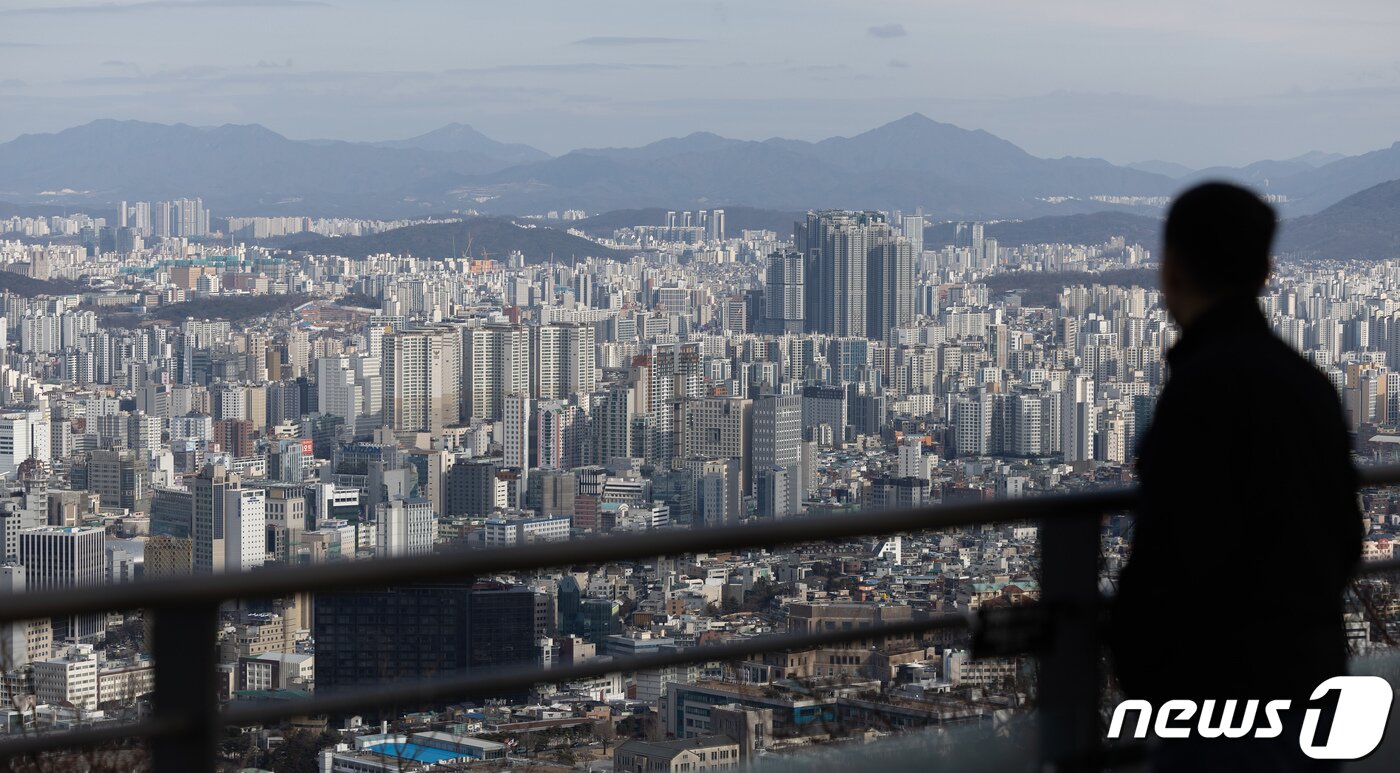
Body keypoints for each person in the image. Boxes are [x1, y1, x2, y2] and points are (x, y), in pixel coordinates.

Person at [1110, 182, 1362, 771]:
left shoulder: (1201, 391)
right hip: (1313, 686)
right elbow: (1343, 539)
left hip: (1218, 701)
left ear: (1169, 270)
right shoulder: (1310, 385)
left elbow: (1173, 558)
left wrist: (1142, 669)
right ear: (1266, 271)